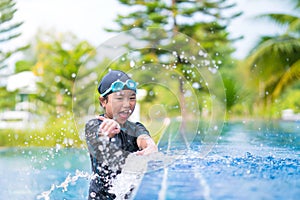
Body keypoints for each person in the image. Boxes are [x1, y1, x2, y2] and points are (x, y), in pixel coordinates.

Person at [85, 70, 158, 199]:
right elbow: (98, 138)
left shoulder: (136, 128)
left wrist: (150, 145)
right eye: (119, 98)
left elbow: (143, 138)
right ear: (103, 101)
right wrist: (106, 134)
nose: (127, 104)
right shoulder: (93, 126)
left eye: (132, 98)